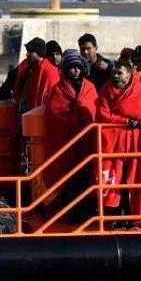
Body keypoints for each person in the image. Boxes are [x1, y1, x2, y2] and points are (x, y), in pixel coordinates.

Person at [44, 50, 98, 214]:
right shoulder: (58, 90)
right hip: (66, 143)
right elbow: (53, 114)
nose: (75, 71)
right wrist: (72, 116)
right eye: (72, 68)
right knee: (69, 178)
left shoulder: (89, 87)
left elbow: (94, 109)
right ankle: (69, 210)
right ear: (66, 69)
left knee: (86, 176)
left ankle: (86, 210)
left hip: (86, 142)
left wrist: (81, 108)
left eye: (78, 68)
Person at [97, 61, 141, 228]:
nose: (116, 76)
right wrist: (125, 120)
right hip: (113, 140)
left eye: (120, 73)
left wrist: (125, 120)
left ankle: (131, 216)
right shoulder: (105, 90)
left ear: (129, 74)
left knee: (131, 177)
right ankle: (115, 216)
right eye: (114, 73)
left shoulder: (138, 89)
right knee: (114, 178)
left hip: (133, 139)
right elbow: (104, 114)